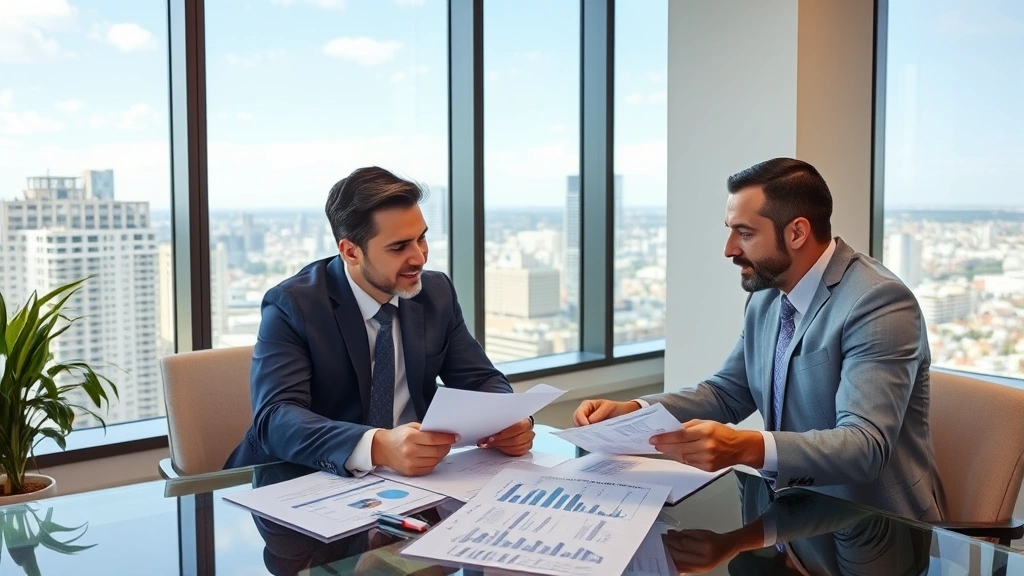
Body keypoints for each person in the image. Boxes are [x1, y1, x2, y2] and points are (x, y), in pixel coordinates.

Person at [574, 158, 942, 520]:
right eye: (730, 230)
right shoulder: (767, 294)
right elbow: (727, 393)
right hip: (791, 516)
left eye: (745, 233)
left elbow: (864, 447)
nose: (729, 249)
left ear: (796, 233)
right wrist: (635, 411)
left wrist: (745, 447)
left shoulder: (878, 302)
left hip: (875, 527)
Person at [225, 166, 533, 476]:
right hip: (299, 479)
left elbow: (480, 380)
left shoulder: (436, 292)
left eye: (421, 238)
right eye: (399, 247)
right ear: (351, 252)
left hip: (413, 482)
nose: (419, 257)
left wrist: (510, 421)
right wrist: (378, 446)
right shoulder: (294, 305)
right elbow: (275, 419)